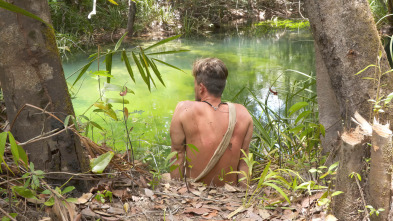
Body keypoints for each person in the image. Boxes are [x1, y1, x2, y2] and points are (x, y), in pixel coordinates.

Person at [170, 58, 253, 187]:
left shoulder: (184, 109)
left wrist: (178, 191)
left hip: (195, 192)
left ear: (201, 88)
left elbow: (177, 155)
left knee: (163, 177)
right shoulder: (243, 113)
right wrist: (242, 196)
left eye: (195, 85)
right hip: (230, 195)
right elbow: (244, 163)